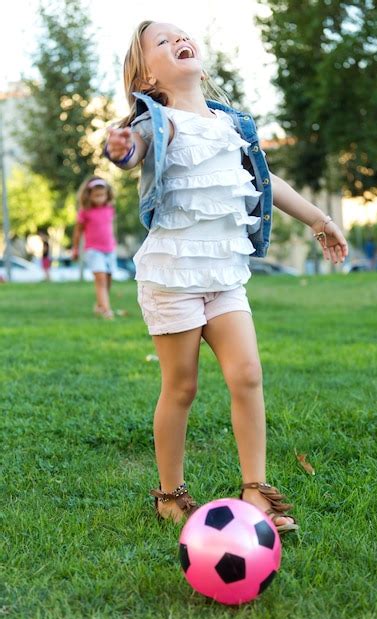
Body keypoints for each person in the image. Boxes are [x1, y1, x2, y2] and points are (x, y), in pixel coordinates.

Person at [104, 21, 348, 532]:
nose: (178, 41)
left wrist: (318, 220)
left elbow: (267, 179)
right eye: (162, 43)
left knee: (248, 375)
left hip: (224, 274)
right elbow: (132, 153)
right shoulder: (158, 121)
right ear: (147, 76)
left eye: (181, 35)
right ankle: (170, 493)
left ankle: (255, 492)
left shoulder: (231, 123)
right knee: (182, 386)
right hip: (173, 275)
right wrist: (120, 148)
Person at [72, 177, 117, 320]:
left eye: (102, 195)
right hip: (93, 250)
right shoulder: (85, 212)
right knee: (101, 279)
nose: (100, 198)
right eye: (96, 195)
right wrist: (75, 249)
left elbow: (110, 228)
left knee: (108, 279)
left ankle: (99, 305)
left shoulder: (109, 209)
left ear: (107, 195)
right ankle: (106, 310)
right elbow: (78, 232)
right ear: (89, 195)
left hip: (109, 249)